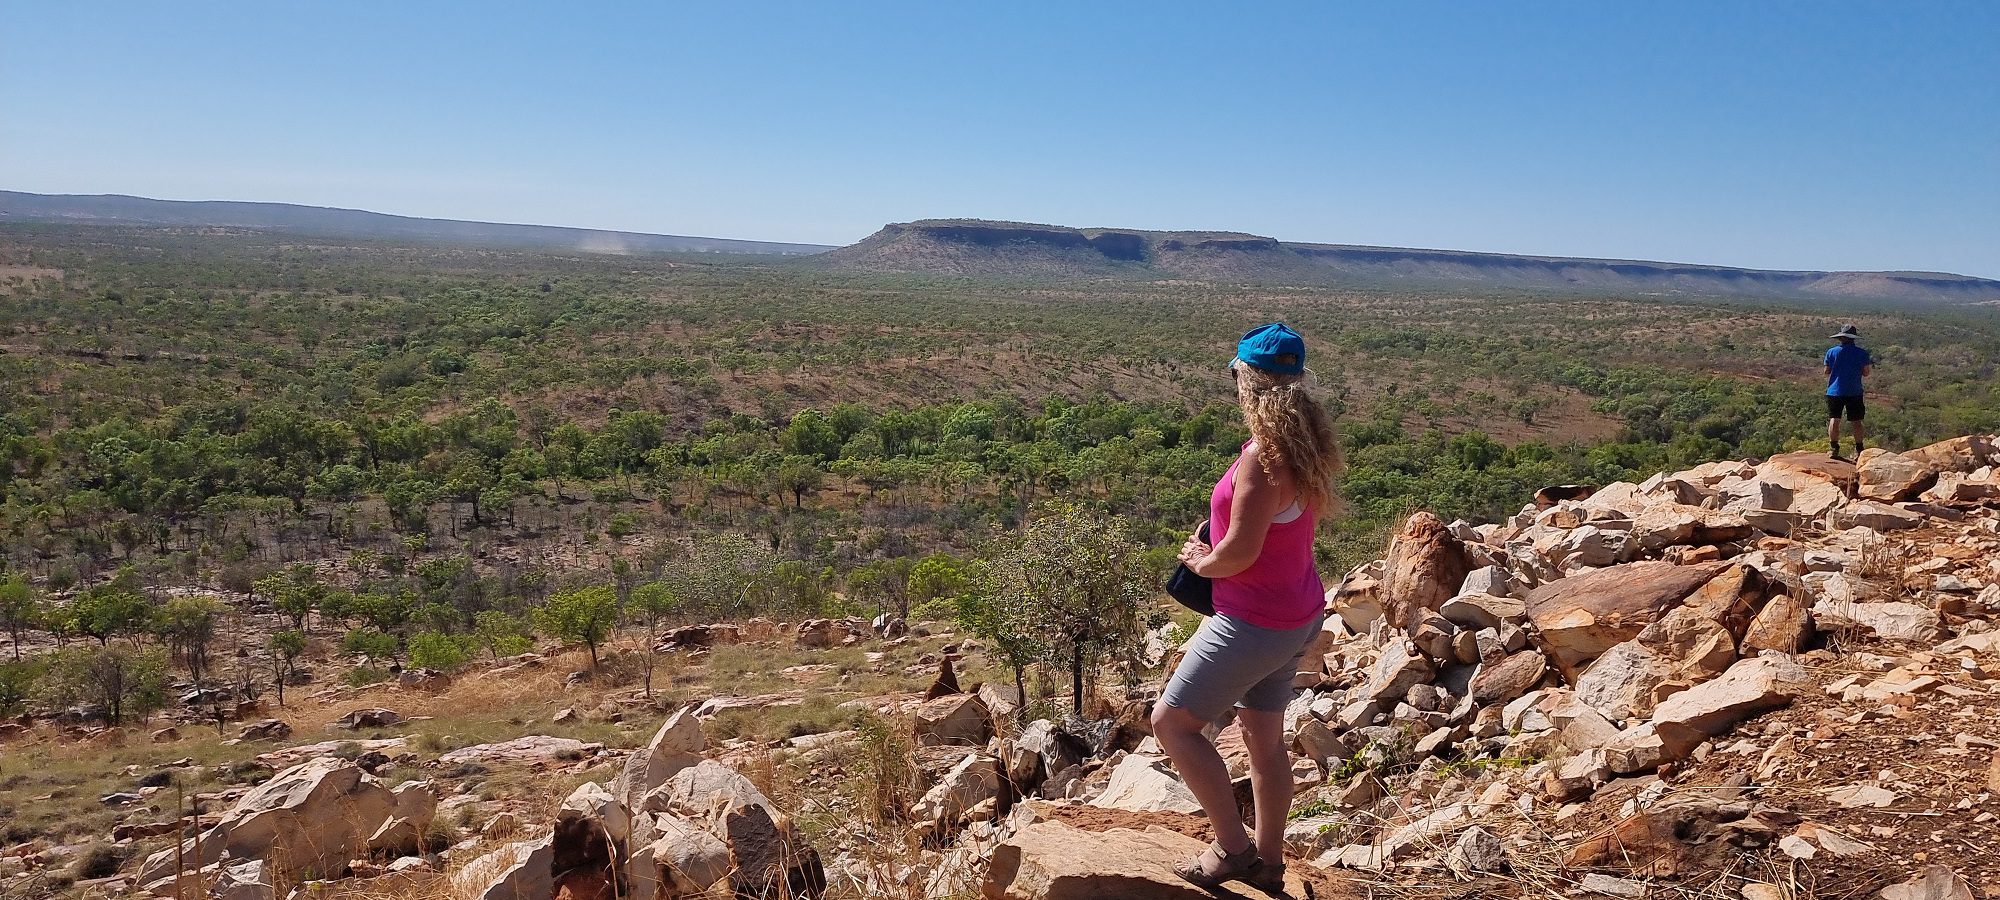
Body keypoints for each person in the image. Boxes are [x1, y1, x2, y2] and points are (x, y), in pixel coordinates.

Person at [1155, 322, 1342, 890]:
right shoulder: (1304, 446)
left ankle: (1233, 850)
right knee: (1264, 737)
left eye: (1236, 374)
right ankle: (1270, 861)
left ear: (1247, 380)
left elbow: (1237, 554)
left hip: (1251, 622)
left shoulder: (1264, 458)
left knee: (1173, 725)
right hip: (1296, 615)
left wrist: (1198, 560)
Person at [1824, 323, 1873, 460]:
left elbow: (1826, 371)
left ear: (1841, 338)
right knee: (1856, 421)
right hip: (1854, 391)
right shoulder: (1862, 353)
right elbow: (1866, 373)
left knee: (1835, 419)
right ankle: (1859, 449)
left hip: (1834, 391)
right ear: (1853, 338)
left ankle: (1834, 448)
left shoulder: (1831, 352)